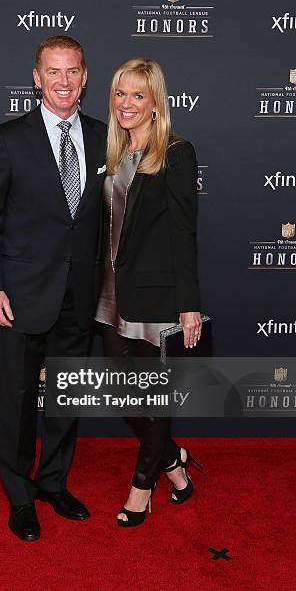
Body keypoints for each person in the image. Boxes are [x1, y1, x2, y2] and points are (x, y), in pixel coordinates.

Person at [0, 35, 106, 541]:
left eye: (72, 71)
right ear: (36, 77)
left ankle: (52, 482)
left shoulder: (103, 136)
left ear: (86, 76)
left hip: (79, 291)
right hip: (21, 293)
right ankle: (20, 495)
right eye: (53, 71)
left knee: (66, 398)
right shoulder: (7, 138)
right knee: (18, 400)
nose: (64, 81)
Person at [95, 58, 202, 527]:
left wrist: (189, 304)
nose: (127, 104)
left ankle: (142, 488)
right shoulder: (113, 152)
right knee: (125, 394)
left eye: (138, 95)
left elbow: (183, 232)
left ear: (156, 102)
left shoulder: (175, 152)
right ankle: (173, 459)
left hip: (155, 297)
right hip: (109, 293)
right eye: (120, 93)